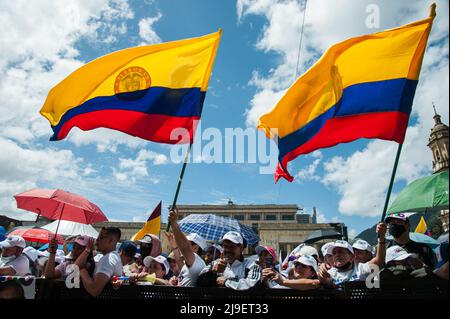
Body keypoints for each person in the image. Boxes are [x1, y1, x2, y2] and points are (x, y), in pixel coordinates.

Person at [318, 222, 387, 288]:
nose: (337, 255)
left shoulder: (360, 269)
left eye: (341, 252)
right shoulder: (330, 273)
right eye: (334, 253)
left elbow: (379, 261)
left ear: (352, 257)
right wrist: (321, 274)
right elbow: (323, 282)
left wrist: (381, 238)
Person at [198, 231, 262, 291]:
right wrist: (213, 272)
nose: (228, 250)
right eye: (225, 246)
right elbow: (199, 281)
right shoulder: (215, 263)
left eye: (232, 246)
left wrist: (226, 282)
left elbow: (252, 285)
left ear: (241, 248)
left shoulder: (252, 265)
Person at [77, 227, 123, 297]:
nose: (96, 241)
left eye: (101, 238)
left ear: (110, 240)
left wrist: (83, 272)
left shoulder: (107, 259)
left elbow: (94, 290)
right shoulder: (115, 257)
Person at [167, 208, 207, 287]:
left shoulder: (196, 261)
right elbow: (178, 260)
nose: (180, 247)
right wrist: (174, 247)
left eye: (187, 243)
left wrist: (174, 223)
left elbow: (184, 247)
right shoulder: (189, 264)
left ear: (195, 248)